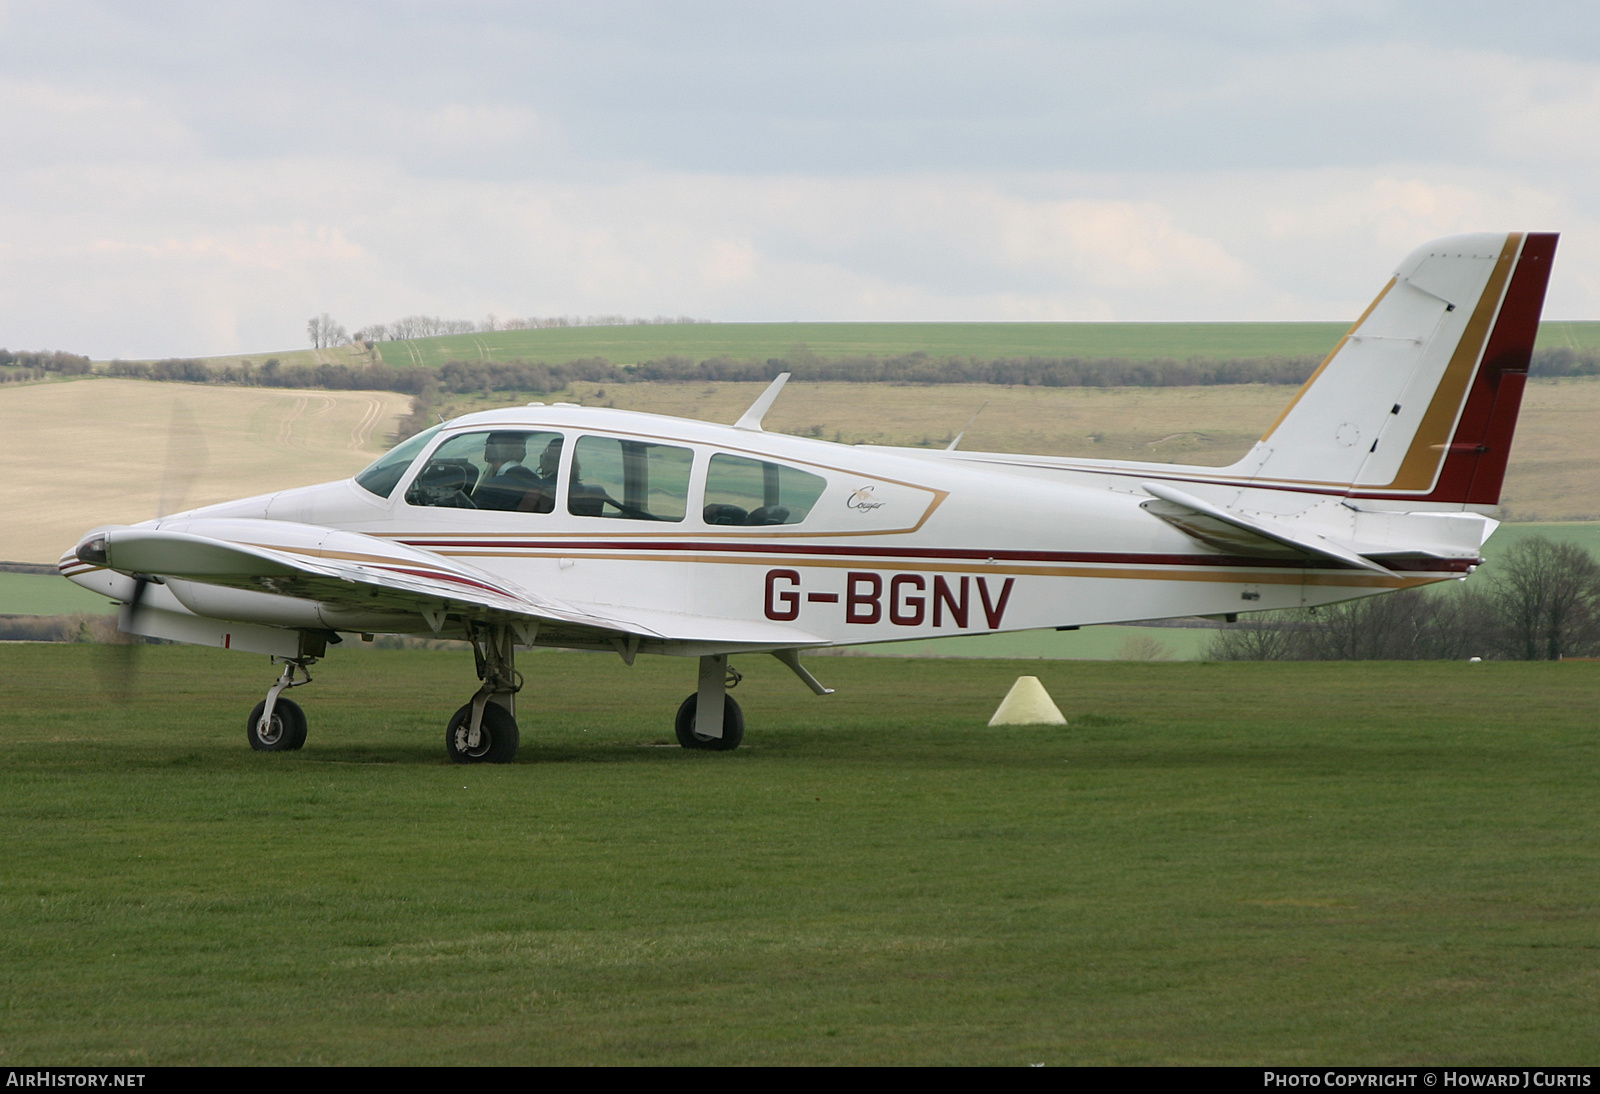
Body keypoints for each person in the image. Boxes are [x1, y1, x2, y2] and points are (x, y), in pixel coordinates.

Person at [473, 432, 542, 511]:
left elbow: (476, 513)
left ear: (491, 450)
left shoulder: (494, 487)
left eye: (487, 445)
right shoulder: (533, 478)